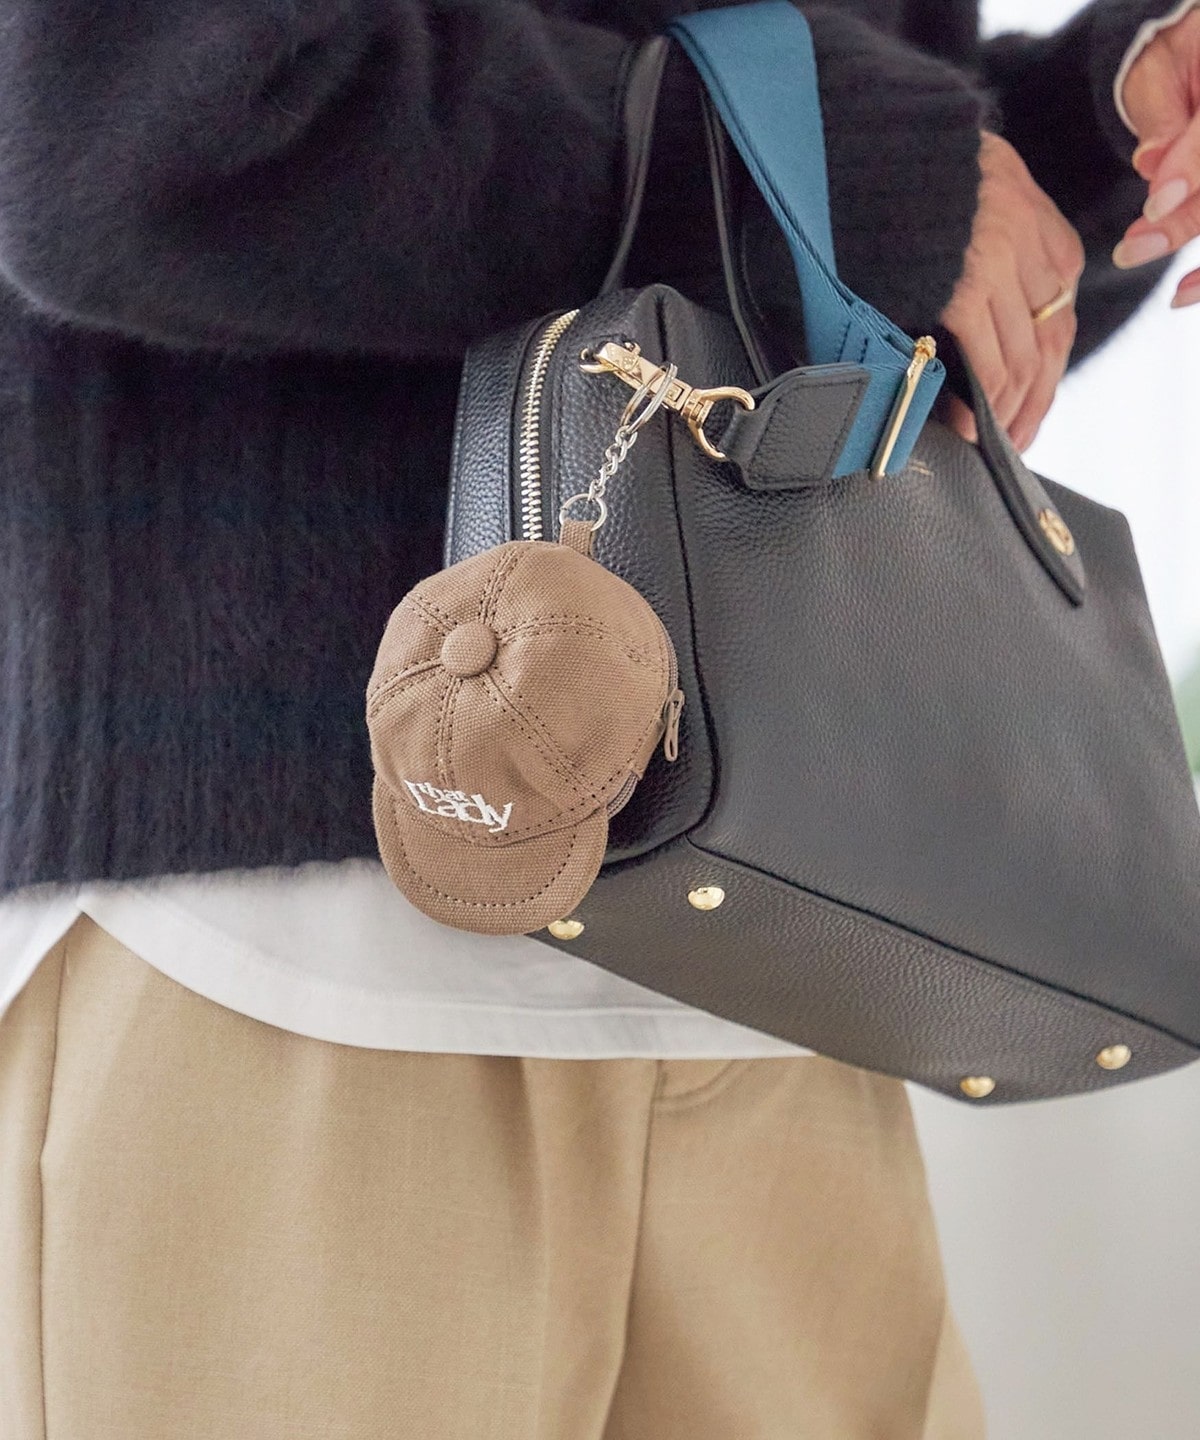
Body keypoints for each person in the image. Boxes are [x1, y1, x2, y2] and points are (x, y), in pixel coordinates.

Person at [0, 1, 1197, 1435]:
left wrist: (1103, 126)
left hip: (787, 950)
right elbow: (140, 130)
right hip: (304, 964)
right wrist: (867, 178)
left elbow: (877, 258)